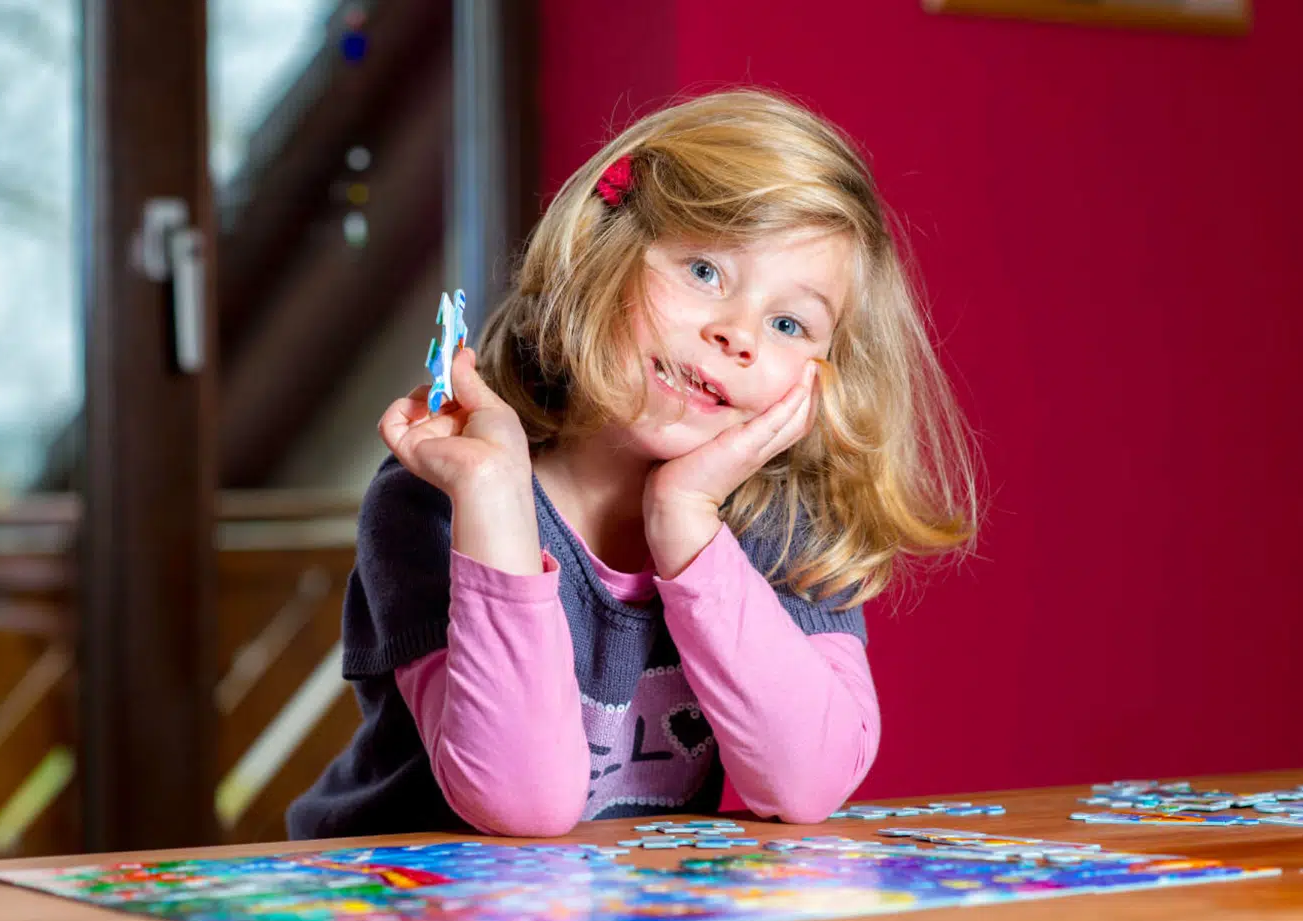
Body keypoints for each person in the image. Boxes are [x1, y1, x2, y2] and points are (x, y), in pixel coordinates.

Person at [287, 88, 977, 840]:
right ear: (601, 253)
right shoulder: (438, 500)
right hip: (394, 909)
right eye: (706, 272)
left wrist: (686, 521)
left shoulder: (782, 521)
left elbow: (806, 783)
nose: (736, 334)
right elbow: (523, 805)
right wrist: (495, 498)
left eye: (788, 323)